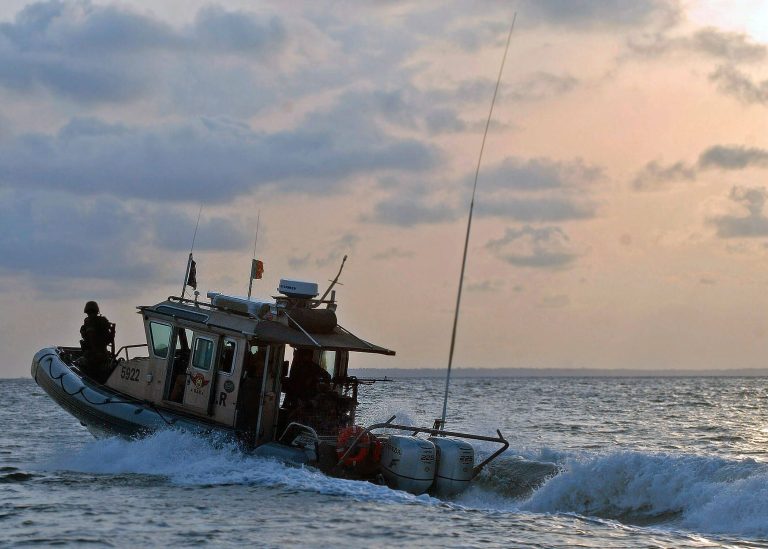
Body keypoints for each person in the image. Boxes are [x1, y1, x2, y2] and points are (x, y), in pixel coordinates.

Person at [79, 301, 115, 383]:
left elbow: (91, 338)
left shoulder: (89, 322)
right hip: (104, 355)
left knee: (80, 363)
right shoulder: (103, 322)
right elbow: (110, 339)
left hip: (93, 356)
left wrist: (95, 352)